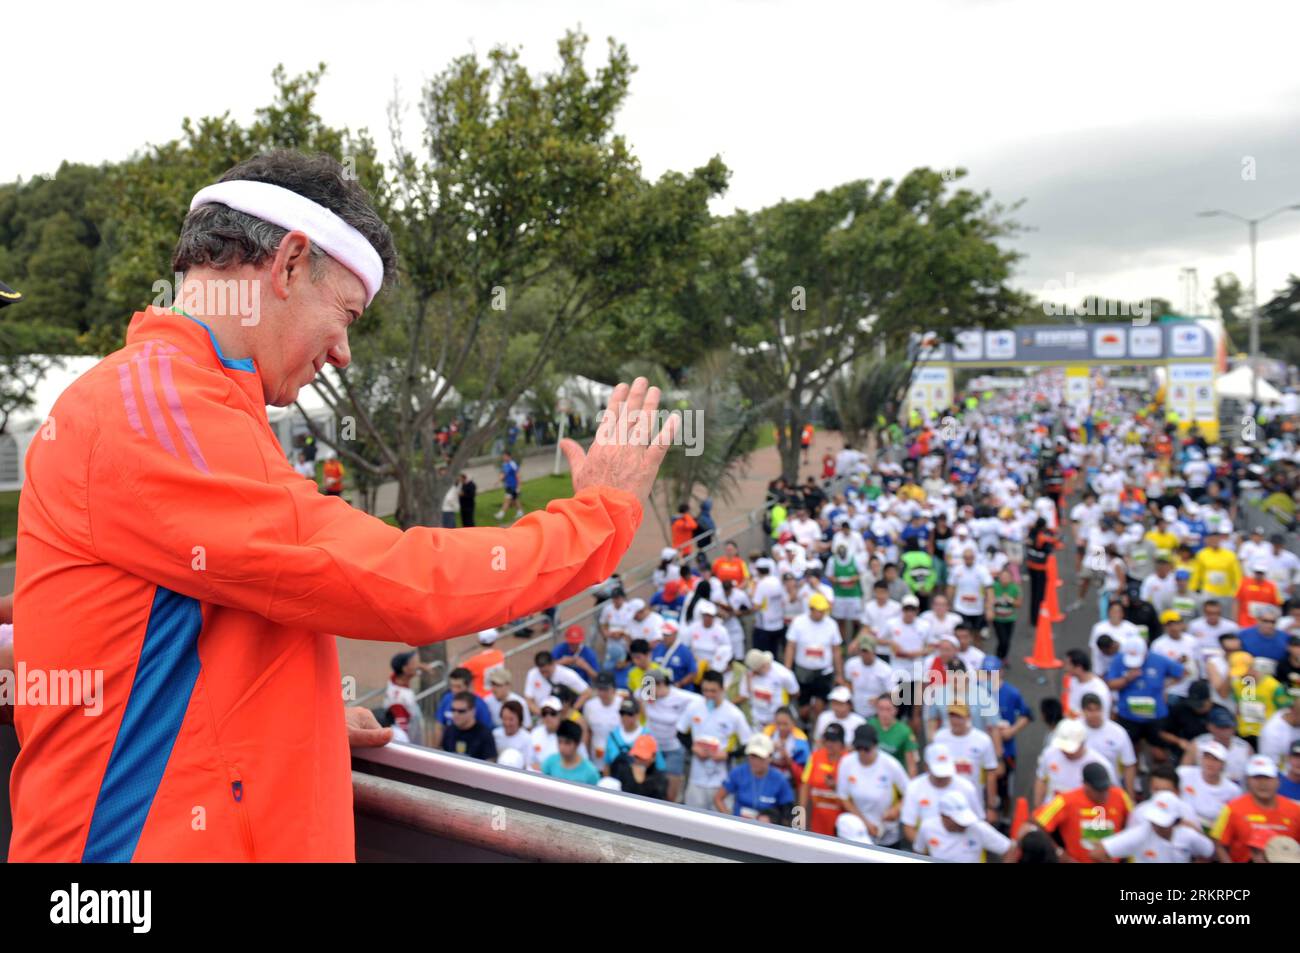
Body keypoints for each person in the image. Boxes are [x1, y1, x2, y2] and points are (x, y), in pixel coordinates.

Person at [8, 154, 675, 863]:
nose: (344, 353)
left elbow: (180, 630)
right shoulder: (154, 407)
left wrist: (295, 719)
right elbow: (391, 579)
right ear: (291, 263)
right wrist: (600, 517)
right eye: (347, 314)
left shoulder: (180, 397)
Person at [1026, 762, 1134, 863]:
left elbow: (1136, 824)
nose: (1104, 794)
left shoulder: (1121, 797)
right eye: (1099, 790)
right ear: (1086, 785)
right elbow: (1037, 822)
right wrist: (1059, 852)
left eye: (1106, 789)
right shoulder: (1066, 801)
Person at [679, 671, 753, 810]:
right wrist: (693, 748)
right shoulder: (694, 707)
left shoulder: (734, 714)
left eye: (713, 691)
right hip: (696, 779)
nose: (709, 695)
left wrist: (727, 755)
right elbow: (680, 732)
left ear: (722, 689)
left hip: (721, 781)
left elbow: (748, 744)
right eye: (705, 690)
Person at [1210, 755, 1300, 863]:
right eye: (1257, 778)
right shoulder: (1231, 809)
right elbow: (1218, 844)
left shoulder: (1296, 810)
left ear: (1278, 781)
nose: (1263, 783)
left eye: (1267, 778)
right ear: (1248, 781)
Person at [836, 724, 910, 848]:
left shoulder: (890, 765)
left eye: (866, 749)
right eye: (858, 748)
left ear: (875, 746)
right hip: (858, 832)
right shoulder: (846, 763)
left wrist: (896, 809)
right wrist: (866, 824)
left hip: (887, 833)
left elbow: (910, 792)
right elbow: (843, 798)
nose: (862, 753)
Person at [1092, 792, 1214, 863]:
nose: (1156, 826)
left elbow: (1209, 851)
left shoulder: (1188, 835)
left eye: (1162, 822)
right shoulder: (1140, 834)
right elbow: (1097, 852)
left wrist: (1193, 828)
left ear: (1175, 820)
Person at [914, 789, 1016, 863]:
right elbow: (918, 853)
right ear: (944, 816)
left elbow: (1011, 849)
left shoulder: (978, 828)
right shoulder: (927, 827)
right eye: (958, 821)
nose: (964, 825)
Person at [1176, 740, 1242, 831]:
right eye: (1206, 757)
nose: (1210, 763)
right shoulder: (1183, 773)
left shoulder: (1233, 790)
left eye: (1215, 759)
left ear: (1223, 764)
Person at [384, 650, 437, 746]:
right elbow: (402, 731)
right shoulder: (399, 700)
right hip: (411, 744)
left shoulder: (394, 679)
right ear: (405, 669)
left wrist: (420, 666)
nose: (416, 665)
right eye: (413, 663)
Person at [440, 691, 498, 761]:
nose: (456, 714)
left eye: (461, 711)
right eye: (453, 710)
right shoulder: (449, 730)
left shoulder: (484, 734)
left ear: (472, 711)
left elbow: (490, 762)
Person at [607, 734, 669, 800]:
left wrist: (641, 783)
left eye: (643, 758)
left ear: (653, 757)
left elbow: (657, 801)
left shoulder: (660, 779)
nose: (639, 761)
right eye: (636, 756)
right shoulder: (624, 770)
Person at [541, 719, 601, 785]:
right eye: (559, 741)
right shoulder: (549, 763)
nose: (562, 747)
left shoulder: (591, 773)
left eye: (567, 743)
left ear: (577, 744)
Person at [492, 700, 533, 766]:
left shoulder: (527, 738)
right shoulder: (495, 734)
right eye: (504, 718)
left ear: (519, 719)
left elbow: (528, 764)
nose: (507, 723)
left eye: (511, 719)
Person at [494, 450, 524, 521]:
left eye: (505, 456)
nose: (503, 458)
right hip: (508, 485)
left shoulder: (512, 464)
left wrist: (519, 486)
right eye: (503, 456)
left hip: (513, 486)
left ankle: (501, 514)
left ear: (509, 456)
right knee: (514, 500)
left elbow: (518, 475)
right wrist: (498, 481)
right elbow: (503, 474)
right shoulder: (505, 464)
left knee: (507, 500)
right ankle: (520, 512)